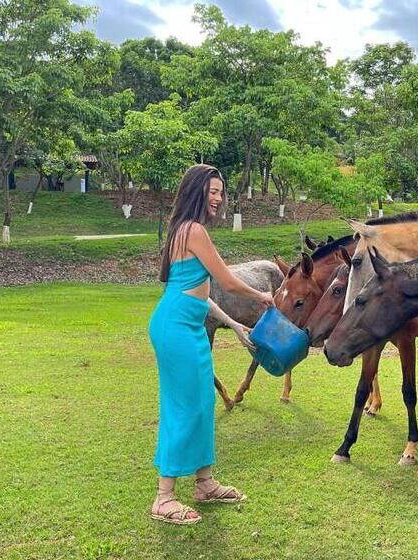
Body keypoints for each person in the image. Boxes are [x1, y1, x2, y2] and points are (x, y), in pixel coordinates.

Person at [148, 164, 274, 524]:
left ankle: (204, 483)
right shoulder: (193, 230)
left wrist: (233, 323)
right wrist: (262, 296)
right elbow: (228, 281)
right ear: (195, 192)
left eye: (221, 192)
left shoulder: (183, 230)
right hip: (175, 327)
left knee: (202, 402)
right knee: (183, 406)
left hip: (189, 323)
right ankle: (164, 497)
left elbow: (202, 292)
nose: (218, 198)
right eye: (212, 191)